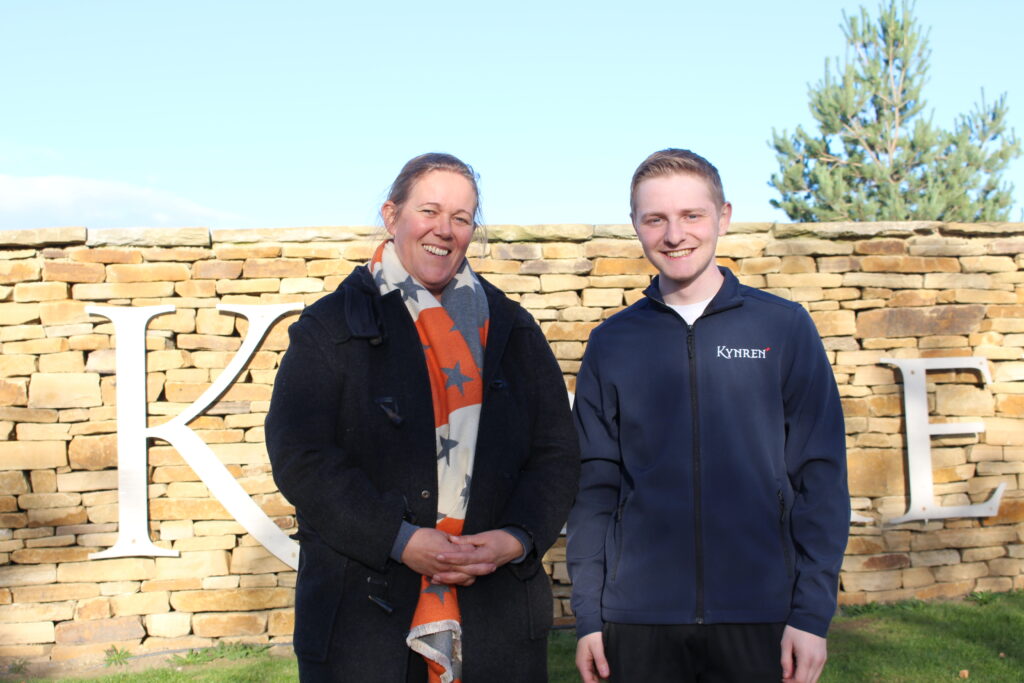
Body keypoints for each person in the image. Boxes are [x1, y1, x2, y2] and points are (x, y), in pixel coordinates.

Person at [266, 153, 579, 682]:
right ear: (392, 216)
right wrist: (399, 538)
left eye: (462, 218)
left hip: (495, 614)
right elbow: (302, 457)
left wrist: (517, 537)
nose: (445, 230)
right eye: (429, 210)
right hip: (362, 626)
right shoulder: (330, 326)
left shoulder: (512, 329)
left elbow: (557, 453)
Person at [567, 149, 849, 683]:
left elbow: (821, 479)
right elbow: (593, 489)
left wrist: (812, 615)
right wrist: (588, 618)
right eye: (656, 219)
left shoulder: (783, 329)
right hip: (638, 620)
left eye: (691, 215)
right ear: (636, 226)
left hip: (762, 614)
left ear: (723, 216)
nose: (675, 235)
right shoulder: (611, 344)